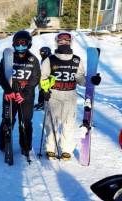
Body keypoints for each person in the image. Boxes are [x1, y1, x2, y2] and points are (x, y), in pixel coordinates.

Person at [40, 32, 101, 160]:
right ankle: (51, 148)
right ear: (57, 42)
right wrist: (44, 90)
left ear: (70, 42)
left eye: (66, 40)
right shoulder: (50, 59)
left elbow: (80, 78)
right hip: (53, 94)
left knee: (68, 123)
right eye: (60, 41)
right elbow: (43, 77)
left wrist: (91, 80)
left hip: (70, 94)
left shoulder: (76, 59)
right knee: (51, 124)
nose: (63, 43)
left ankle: (66, 150)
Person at [0, 30, 41, 157]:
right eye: (18, 43)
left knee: (26, 122)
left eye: (24, 43)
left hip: (26, 96)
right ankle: (4, 145)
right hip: (10, 94)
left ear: (29, 44)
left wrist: (24, 94)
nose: (20, 46)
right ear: (13, 44)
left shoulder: (33, 60)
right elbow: (0, 75)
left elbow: (35, 78)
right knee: (7, 120)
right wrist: (8, 90)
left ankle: (26, 146)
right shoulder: (8, 57)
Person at [34, 46, 52, 111]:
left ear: (46, 52)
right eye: (40, 52)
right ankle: (41, 102)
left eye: (42, 52)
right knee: (41, 89)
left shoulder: (50, 58)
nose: (41, 54)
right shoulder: (44, 59)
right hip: (43, 76)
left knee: (45, 90)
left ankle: (45, 103)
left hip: (48, 78)